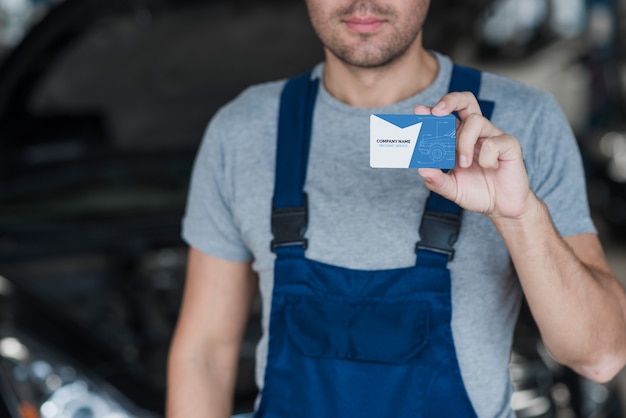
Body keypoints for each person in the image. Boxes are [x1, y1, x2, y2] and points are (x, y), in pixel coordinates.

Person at [166, 0, 626, 417]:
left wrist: (518, 214)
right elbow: (203, 355)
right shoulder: (242, 130)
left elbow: (600, 356)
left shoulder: (524, 122)